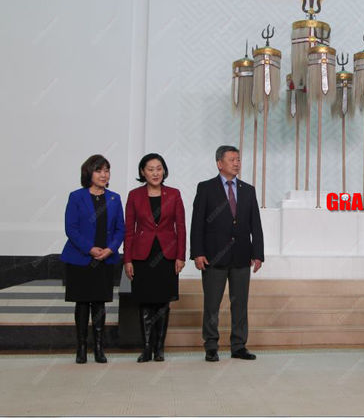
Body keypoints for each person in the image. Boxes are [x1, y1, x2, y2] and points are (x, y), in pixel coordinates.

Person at [191, 145, 264, 362]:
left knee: (240, 303)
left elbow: (255, 224)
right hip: (213, 256)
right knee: (212, 304)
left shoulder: (248, 190)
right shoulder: (206, 188)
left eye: (238, 159)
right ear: (219, 163)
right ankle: (211, 346)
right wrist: (197, 252)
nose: (236, 163)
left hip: (241, 256)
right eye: (232, 159)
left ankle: (239, 345)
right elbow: (197, 223)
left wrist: (258, 253)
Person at [61, 155, 124, 364]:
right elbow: (71, 228)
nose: (104, 175)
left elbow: (120, 229)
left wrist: (110, 249)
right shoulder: (76, 196)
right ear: (89, 173)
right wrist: (89, 249)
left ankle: (98, 348)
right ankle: (81, 348)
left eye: (107, 170)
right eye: (99, 170)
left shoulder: (114, 198)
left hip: (105, 258)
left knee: (99, 303)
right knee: (81, 303)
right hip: (80, 258)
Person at [123, 153, 186, 362]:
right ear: (143, 172)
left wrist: (180, 256)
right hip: (142, 256)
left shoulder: (174, 194)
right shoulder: (134, 195)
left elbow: (181, 227)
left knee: (163, 302)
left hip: (167, 255)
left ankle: (159, 348)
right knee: (145, 302)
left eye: (159, 168)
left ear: (164, 171)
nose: (155, 173)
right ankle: (146, 348)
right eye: (150, 169)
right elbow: (129, 230)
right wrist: (127, 259)